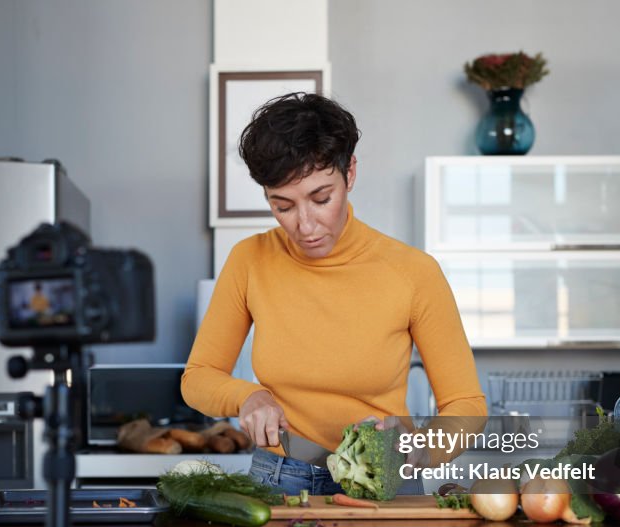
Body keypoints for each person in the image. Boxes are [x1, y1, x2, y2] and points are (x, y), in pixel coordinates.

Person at [181, 92, 486, 496]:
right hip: (281, 478)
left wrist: (421, 448)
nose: (305, 225)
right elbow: (198, 377)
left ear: (350, 174)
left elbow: (467, 405)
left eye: (321, 199)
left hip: (386, 481)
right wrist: (248, 397)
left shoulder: (413, 272)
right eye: (282, 205)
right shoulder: (249, 260)